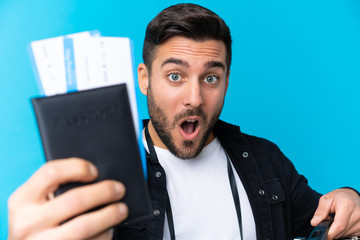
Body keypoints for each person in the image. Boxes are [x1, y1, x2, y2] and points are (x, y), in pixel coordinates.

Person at [7, 3, 360, 240]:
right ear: (144, 79)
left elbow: (330, 217)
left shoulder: (266, 160)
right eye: (175, 76)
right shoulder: (97, 174)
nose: (194, 97)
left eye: (210, 78)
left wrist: (350, 199)